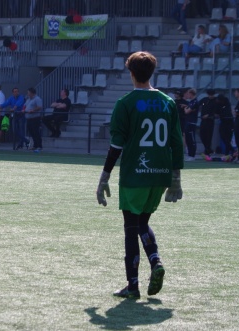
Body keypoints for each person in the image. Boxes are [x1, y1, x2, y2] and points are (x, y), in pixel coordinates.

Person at [96, 51, 184, 299]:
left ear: (131, 73)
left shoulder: (125, 103)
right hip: (160, 174)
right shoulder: (168, 102)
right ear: (152, 72)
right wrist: (176, 178)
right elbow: (177, 143)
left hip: (135, 173)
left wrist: (104, 176)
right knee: (142, 223)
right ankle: (155, 262)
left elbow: (116, 146)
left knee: (130, 227)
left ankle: (132, 285)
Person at [182, 88, 199, 161]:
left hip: (192, 123)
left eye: (188, 93)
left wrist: (185, 108)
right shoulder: (190, 102)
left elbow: (187, 111)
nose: (187, 95)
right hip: (188, 122)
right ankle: (189, 154)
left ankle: (192, 155)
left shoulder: (195, 102)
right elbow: (188, 109)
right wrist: (186, 107)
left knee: (192, 139)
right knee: (188, 139)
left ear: (191, 94)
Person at [24, 87, 43, 152]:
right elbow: (25, 106)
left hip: (35, 118)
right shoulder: (28, 99)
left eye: (28, 92)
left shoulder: (37, 99)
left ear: (32, 93)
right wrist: (23, 110)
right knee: (31, 132)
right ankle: (35, 145)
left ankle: (39, 146)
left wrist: (33, 110)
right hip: (29, 118)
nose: (28, 94)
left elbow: (39, 107)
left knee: (36, 132)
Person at [199, 89, 217, 155]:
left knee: (208, 136)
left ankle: (207, 150)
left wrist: (209, 115)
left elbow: (217, 111)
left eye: (211, 95)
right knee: (202, 135)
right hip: (203, 120)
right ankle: (208, 149)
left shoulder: (215, 101)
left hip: (210, 120)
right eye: (209, 95)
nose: (210, 96)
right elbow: (198, 104)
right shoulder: (204, 100)